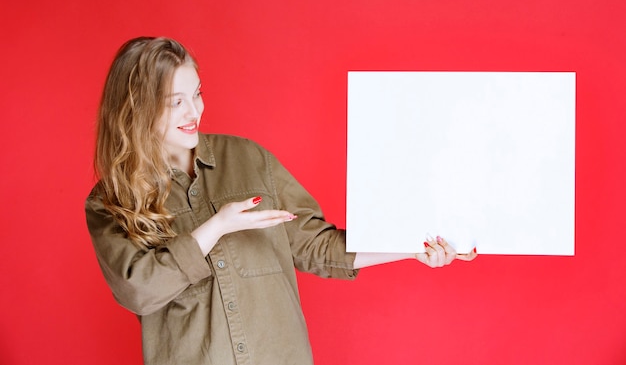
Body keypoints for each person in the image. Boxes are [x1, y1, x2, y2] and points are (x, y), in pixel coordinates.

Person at [85, 36, 477, 365]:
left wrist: (410, 247)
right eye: (176, 102)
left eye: (198, 94)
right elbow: (138, 291)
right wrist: (217, 226)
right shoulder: (111, 200)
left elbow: (315, 246)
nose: (195, 111)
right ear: (137, 107)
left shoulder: (250, 160)